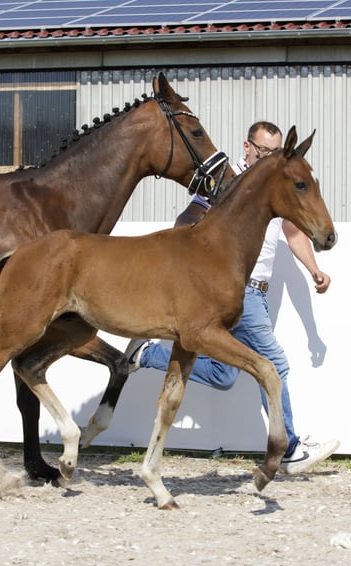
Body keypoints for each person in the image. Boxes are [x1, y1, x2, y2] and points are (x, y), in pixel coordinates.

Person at [125, 121, 339, 474]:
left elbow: (292, 230)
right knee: (274, 362)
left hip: (256, 292)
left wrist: (313, 269)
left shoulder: (274, 183)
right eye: (264, 150)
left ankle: (145, 354)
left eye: (274, 151)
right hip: (240, 287)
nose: (269, 157)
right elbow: (187, 218)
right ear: (248, 146)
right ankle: (289, 449)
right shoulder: (226, 181)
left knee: (225, 375)